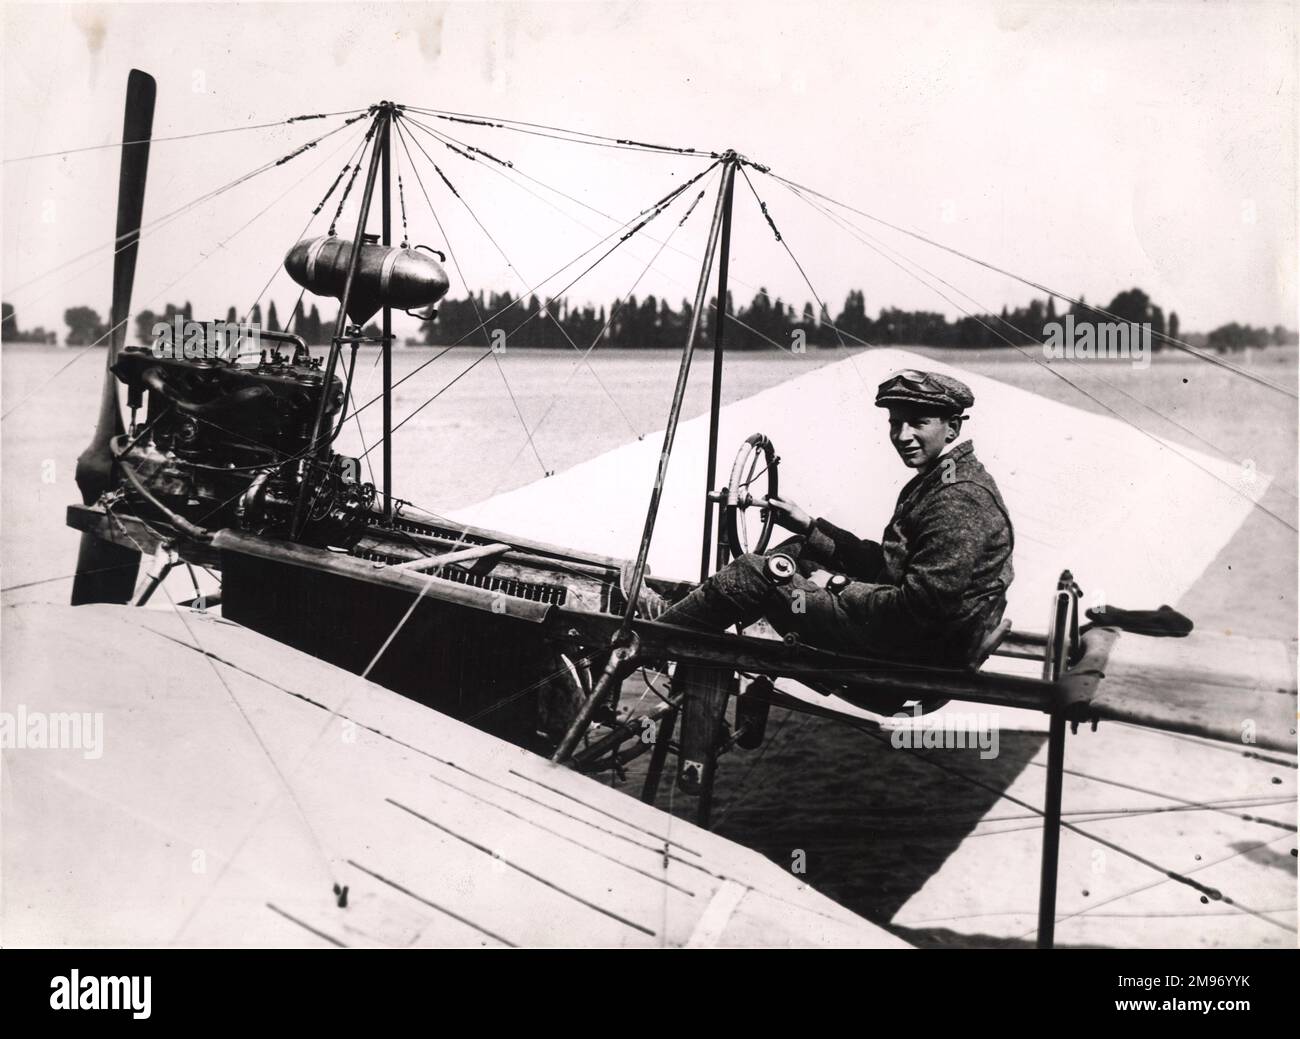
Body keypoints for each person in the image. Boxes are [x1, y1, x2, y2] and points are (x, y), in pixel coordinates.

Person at [654, 369, 1014, 667]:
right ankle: (689, 617)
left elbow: (918, 610)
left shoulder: (959, 498)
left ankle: (649, 640)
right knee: (799, 549)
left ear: (953, 428)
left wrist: (836, 585)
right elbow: (891, 566)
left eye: (918, 423)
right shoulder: (943, 477)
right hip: (919, 640)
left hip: (910, 652)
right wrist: (810, 527)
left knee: (753, 571)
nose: (903, 436)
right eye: (895, 423)